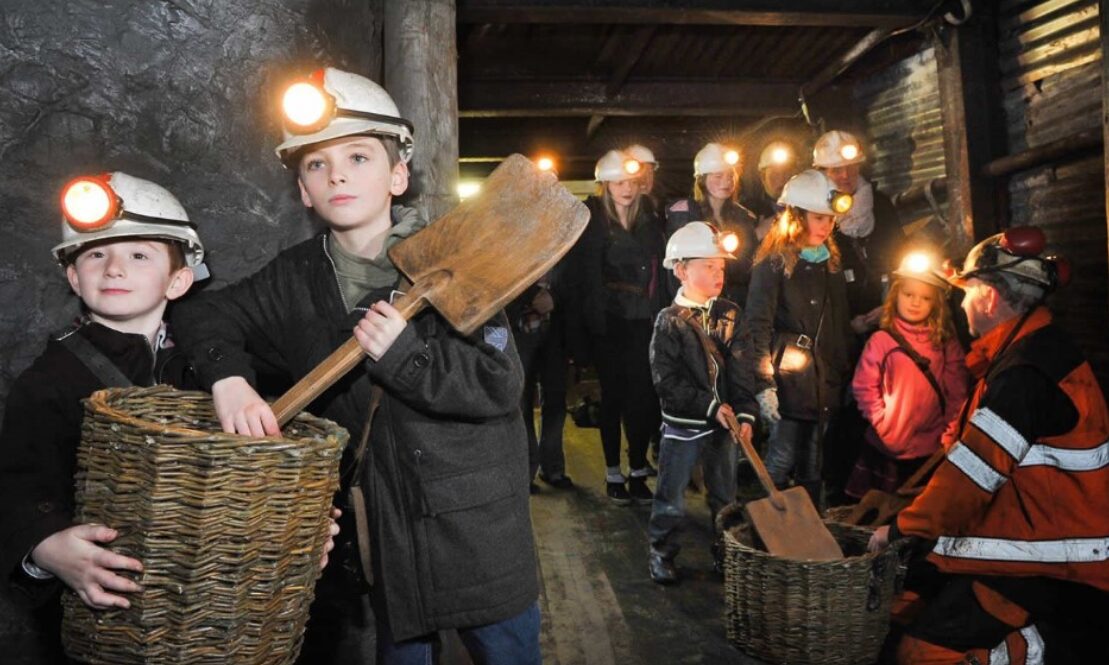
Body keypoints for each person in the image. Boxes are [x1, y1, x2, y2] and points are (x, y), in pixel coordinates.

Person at [171, 68, 540, 665]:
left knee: (507, 653)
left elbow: (497, 385)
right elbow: (201, 318)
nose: (336, 173)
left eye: (359, 156)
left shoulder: (462, 256)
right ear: (303, 192)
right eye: (316, 165)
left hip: (478, 537)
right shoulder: (293, 278)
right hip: (384, 538)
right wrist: (228, 378)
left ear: (398, 175)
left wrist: (406, 356)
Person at [0, 172, 217, 663]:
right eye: (95, 254)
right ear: (73, 276)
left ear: (179, 279)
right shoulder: (48, 380)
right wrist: (44, 547)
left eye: (140, 255)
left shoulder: (210, 368)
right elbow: (17, 484)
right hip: (101, 614)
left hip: (204, 606)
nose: (114, 268)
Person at [868, 227, 1109, 664]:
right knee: (903, 606)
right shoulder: (1025, 355)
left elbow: (970, 478)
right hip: (1028, 547)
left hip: (1050, 569)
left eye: (967, 292)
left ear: (990, 299)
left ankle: (1049, 651)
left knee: (923, 654)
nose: (961, 304)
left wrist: (900, 530)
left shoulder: (1025, 374)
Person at [734, 169, 854, 506]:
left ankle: (809, 534)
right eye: (818, 217)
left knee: (814, 462)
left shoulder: (830, 263)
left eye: (830, 219)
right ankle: (767, 533)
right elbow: (757, 325)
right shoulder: (773, 263)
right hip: (788, 379)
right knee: (782, 457)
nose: (826, 225)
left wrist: (841, 372)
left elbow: (838, 324)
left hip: (822, 379)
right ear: (796, 217)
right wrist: (764, 384)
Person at [646, 222, 745, 584]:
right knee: (672, 497)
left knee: (725, 497)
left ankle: (726, 553)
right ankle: (662, 553)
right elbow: (667, 384)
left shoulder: (730, 313)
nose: (718, 274)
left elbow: (743, 367)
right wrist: (709, 407)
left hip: (725, 425)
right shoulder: (668, 322)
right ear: (681, 270)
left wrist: (745, 412)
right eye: (708, 266)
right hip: (684, 426)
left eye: (721, 267)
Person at [572, 149, 667, 505]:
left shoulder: (649, 220)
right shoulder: (594, 221)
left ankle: (639, 470)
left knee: (642, 397)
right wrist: (587, 330)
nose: (626, 189)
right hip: (610, 319)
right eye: (618, 182)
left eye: (631, 182)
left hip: (643, 316)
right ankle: (613, 471)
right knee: (613, 396)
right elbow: (587, 277)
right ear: (605, 185)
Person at [846, 252, 967, 499]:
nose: (915, 302)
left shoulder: (944, 342)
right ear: (896, 294)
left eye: (925, 297)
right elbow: (863, 386)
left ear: (936, 303)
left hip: (931, 447)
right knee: (877, 514)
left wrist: (951, 430)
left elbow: (957, 390)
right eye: (908, 294)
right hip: (886, 446)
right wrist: (883, 423)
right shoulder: (881, 340)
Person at [812, 130, 905, 331]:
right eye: (836, 170)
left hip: (885, 315)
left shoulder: (880, 205)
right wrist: (845, 324)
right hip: (838, 324)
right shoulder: (814, 213)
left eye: (851, 167)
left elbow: (901, 255)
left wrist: (891, 307)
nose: (845, 176)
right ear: (823, 173)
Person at [507, 260, 574, 493]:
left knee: (555, 399)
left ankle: (553, 467)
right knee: (520, 403)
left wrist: (554, 298)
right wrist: (532, 296)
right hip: (519, 327)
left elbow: (574, 275)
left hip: (554, 328)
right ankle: (525, 472)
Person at [665, 142, 759, 306]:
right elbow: (678, 266)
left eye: (730, 176)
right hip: (697, 302)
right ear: (702, 180)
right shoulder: (683, 214)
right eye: (718, 176)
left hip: (736, 303)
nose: (726, 182)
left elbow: (749, 266)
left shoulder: (744, 216)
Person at [750, 139, 800, 242]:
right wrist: (757, 234)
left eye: (786, 173)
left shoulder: (807, 207)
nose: (782, 179)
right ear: (763, 177)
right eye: (775, 175)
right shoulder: (749, 211)